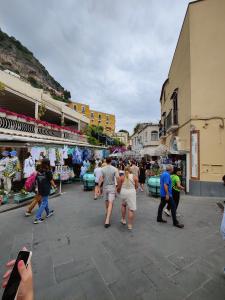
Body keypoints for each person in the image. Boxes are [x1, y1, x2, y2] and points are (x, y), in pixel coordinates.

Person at [98, 157, 120, 228]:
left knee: (106, 201)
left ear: (105, 161)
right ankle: (107, 220)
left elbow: (101, 179)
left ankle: (107, 213)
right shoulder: (115, 169)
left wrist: (98, 187)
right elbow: (118, 178)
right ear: (111, 161)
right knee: (110, 203)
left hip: (105, 187)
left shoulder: (102, 169)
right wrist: (118, 187)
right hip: (112, 187)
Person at [33, 159, 56, 224]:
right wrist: (54, 186)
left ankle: (48, 213)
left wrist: (37, 188)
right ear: (48, 164)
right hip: (46, 188)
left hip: (40, 188)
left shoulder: (39, 171)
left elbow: (36, 180)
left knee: (45, 201)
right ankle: (37, 218)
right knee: (44, 202)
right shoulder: (48, 171)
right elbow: (51, 180)